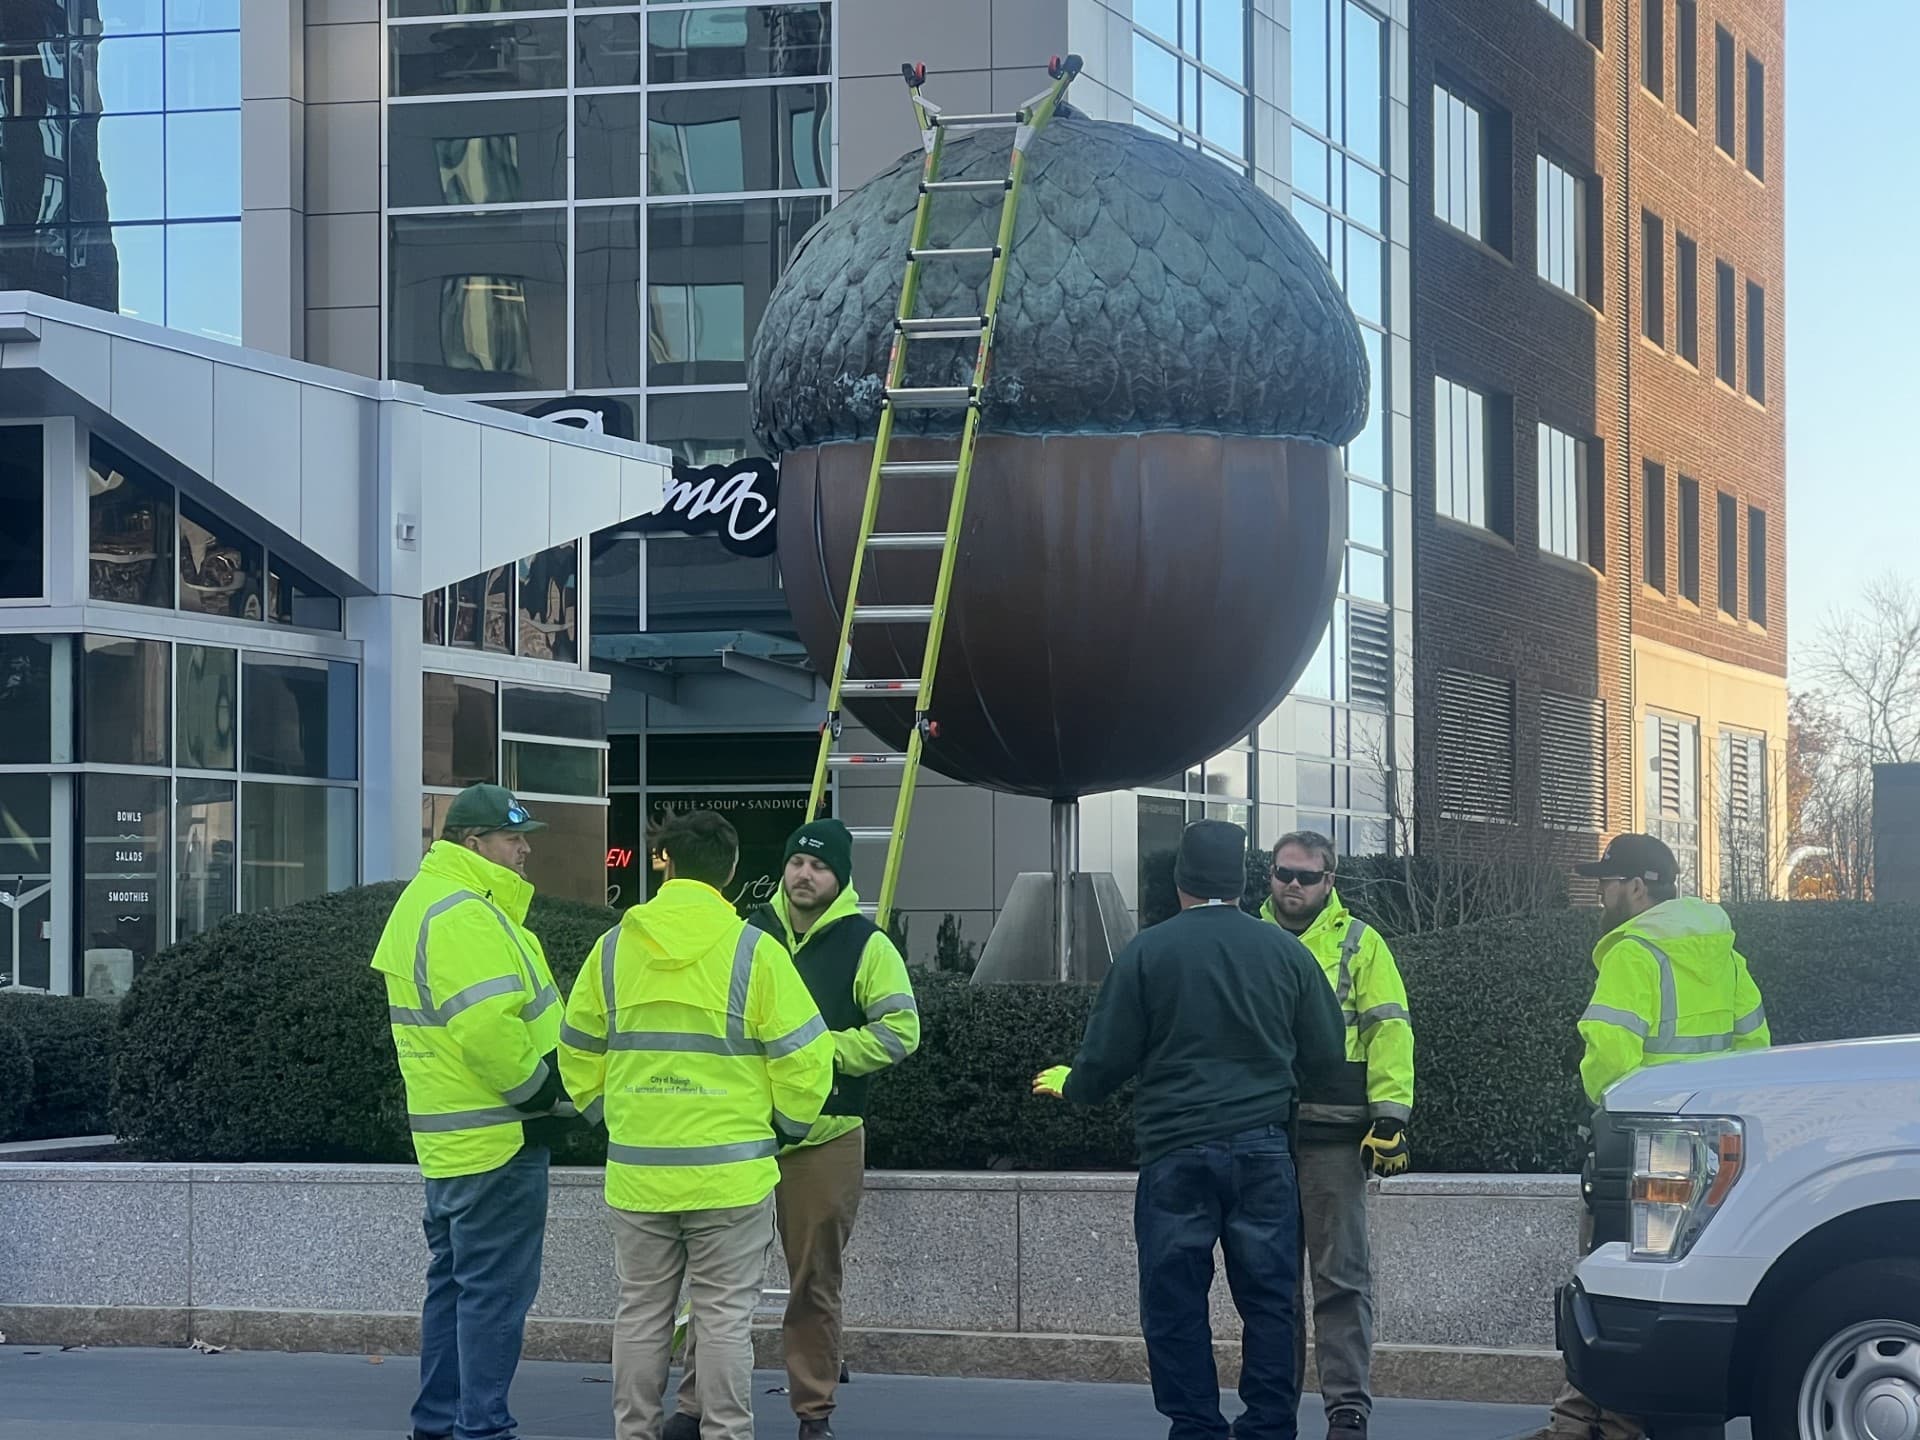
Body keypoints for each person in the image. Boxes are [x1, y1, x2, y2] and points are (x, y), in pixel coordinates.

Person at [1033, 819, 1347, 1440]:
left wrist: (1074, 1084)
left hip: (1174, 1151)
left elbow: (1107, 1058)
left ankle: (1196, 1425)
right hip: (1263, 1150)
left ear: (1180, 881)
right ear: (1242, 882)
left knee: (1174, 1300)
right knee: (1270, 1301)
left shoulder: (1147, 952)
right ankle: (1268, 1427)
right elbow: (1327, 1056)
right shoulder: (1287, 953)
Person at [558, 810, 835, 1440]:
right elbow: (807, 1058)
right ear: (731, 871)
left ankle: (634, 1432)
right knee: (723, 1320)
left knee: (640, 1315)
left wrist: (611, 1117)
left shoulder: (612, 949)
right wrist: (785, 1128)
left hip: (639, 1173)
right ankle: (726, 1433)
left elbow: (575, 1050)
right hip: (730, 1176)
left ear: (667, 865)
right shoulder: (754, 952)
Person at [666, 818, 920, 1440]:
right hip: (745, 1132)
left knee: (814, 1282)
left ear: (841, 877)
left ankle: (814, 1413)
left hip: (826, 1137)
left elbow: (901, 1031)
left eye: (820, 866)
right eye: (796, 863)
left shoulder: (868, 944)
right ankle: (694, 1406)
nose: (804, 875)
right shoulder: (747, 932)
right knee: (715, 1283)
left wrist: (820, 1052)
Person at [1530, 833, 1771, 1440]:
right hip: (1715, 1151)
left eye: (1608, 883)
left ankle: (1598, 1425)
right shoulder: (1724, 954)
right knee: (1675, 1288)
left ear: (1637, 886)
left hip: (1640, 1146)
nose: (1602, 895)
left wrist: (1606, 1108)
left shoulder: (1633, 952)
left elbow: (1609, 1058)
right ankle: (1590, 1421)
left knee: (1606, 1286)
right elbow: (1756, 1048)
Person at [370, 784, 568, 1440]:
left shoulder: (435, 902)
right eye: (513, 838)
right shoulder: (462, 913)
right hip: (499, 1138)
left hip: (457, 1140)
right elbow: (486, 1029)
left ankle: (438, 1424)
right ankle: (482, 1429)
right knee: (493, 1297)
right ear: (472, 843)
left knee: (457, 1289)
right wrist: (541, 1092)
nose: (524, 849)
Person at [1258, 832, 1413, 1440]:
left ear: (1329, 882)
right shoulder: (1249, 938)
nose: (1293, 885)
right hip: (1263, 1134)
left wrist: (1390, 1117)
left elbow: (1389, 1029)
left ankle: (1347, 1410)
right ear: (1269, 876)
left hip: (1333, 1138)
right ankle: (1271, 1410)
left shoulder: (1360, 942)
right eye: (1283, 873)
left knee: (1341, 1280)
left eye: (1306, 876)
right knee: (1269, 1285)